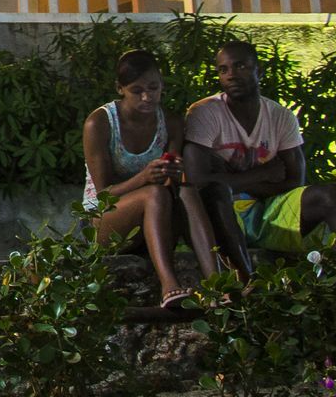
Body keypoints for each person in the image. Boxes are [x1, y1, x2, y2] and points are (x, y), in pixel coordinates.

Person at [82, 48, 242, 306]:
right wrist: (144, 176)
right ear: (120, 88)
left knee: (187, 190)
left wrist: (173, 172)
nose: (147, 97)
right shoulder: (99, 123)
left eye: (154, 88)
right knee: (153, 193)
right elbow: (103, 196)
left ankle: (216, 284)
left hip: (157, 216)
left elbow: (173, 181)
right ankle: (169, 286)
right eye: (137, 91)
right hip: (104, 222)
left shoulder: (170, 122)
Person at [183, 39, 336, 264]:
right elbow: (197, 183)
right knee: (215, 197)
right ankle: (241, 284)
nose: (231, 75)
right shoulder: (205, 113)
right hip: (223, 214)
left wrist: (229, 179)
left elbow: (294, 181)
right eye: (223, 70)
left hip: (270, 210)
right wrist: (263, 173)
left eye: (240, 66)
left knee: (328, 194)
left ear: (259, 70)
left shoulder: (281, 117)